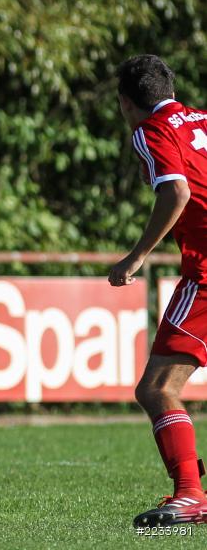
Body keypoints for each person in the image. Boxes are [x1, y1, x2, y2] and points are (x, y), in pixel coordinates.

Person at [109, 55, 207, 527]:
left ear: (126, 102)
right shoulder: (202, 119)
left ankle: (190, 494)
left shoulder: (151, 130)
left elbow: (177, 192)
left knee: (156, 388)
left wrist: (137, 256)